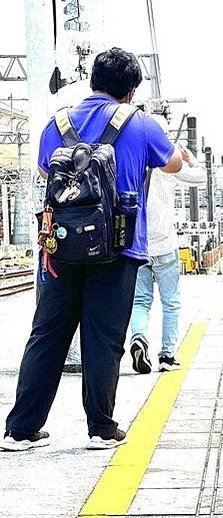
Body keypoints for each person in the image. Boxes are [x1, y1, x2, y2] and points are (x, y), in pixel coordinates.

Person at [0, 48, 182, 452]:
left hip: (59, 248)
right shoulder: (142, 124)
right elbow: (171, 164)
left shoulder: (56, 124)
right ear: (132, 91)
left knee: (46, 334)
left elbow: (48, 172)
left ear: (93, 81)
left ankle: (20, 431)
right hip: (117, 248)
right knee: (103, 337)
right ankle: (101, 428)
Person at [129, 113, 206, 374]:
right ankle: (167, 356)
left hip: (138, 246)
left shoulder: (134, 159)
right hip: (165, 246)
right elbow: (200, 177)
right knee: (170, 302)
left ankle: (139, 339)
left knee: (140, 301)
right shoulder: (168, 166)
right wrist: (188, 157)